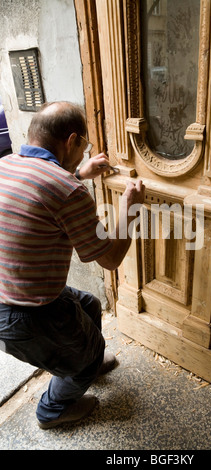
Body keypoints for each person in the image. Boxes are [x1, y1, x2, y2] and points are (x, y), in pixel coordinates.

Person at [0, 101, 145, 429]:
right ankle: (53, 409)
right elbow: (110, 259)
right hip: (22, 316)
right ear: (72, 141)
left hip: (14, 295)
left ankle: (81, 362)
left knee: (90, 305)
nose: (84, 153)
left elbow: (43, 190)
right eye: (84, 146)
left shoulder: (6, 163)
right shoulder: (68, 190)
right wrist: (130, 208)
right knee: (89, 355)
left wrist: (79, 172)